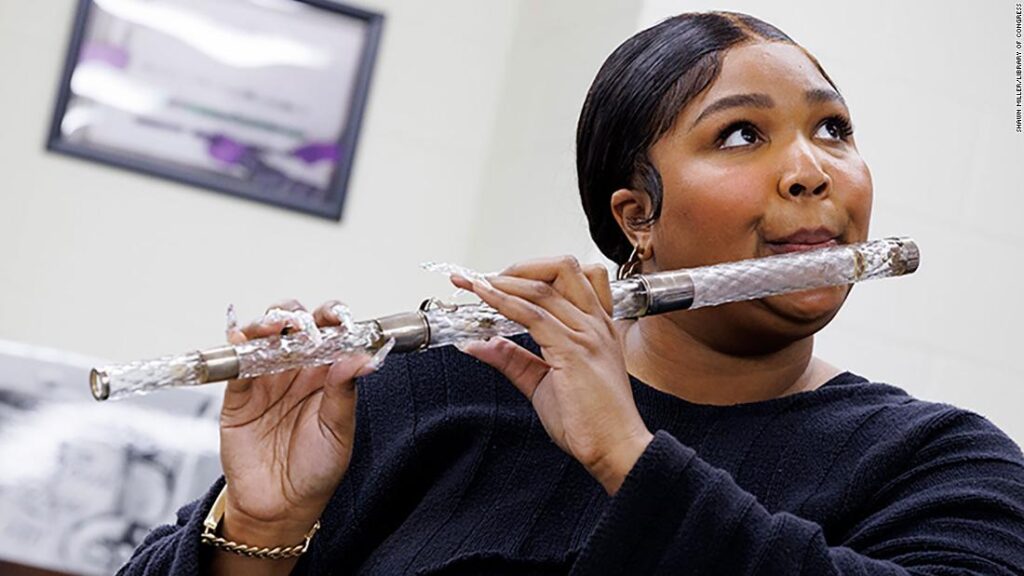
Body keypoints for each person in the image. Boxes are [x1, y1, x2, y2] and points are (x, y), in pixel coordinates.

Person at [119, 11, 1024, 576]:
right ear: (637, 215)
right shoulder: (424, 394)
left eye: (834, 128)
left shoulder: (939, 467)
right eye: (742, 135)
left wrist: (628, 457)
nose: (811, 171)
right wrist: (260, 529)